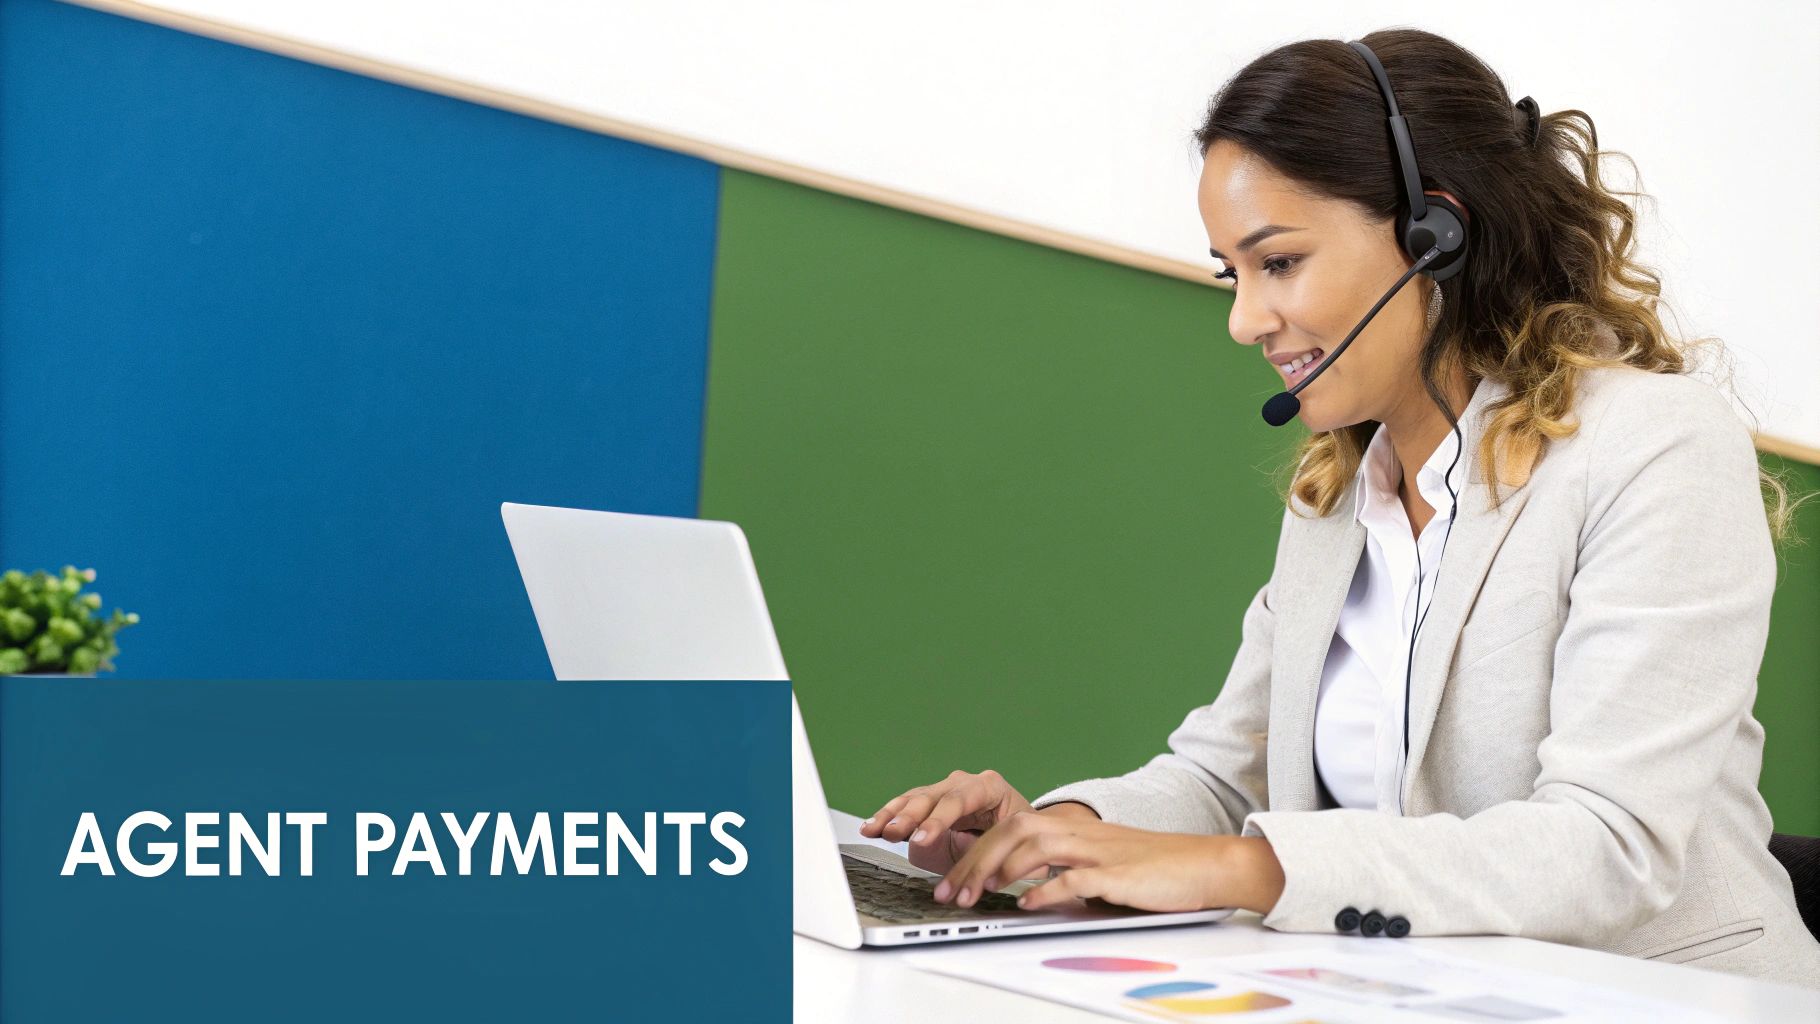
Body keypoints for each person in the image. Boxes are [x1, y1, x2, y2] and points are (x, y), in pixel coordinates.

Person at [858, 27, 1820, 989]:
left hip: (1670, 998)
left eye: (1278, 263)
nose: (1243, 320)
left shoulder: (1652, 446)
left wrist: (1249, 869)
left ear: (1432, 237)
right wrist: (1059, 833)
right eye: (1232, 274)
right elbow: (1223, 777)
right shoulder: (1338, 495)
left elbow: (1609, 842)